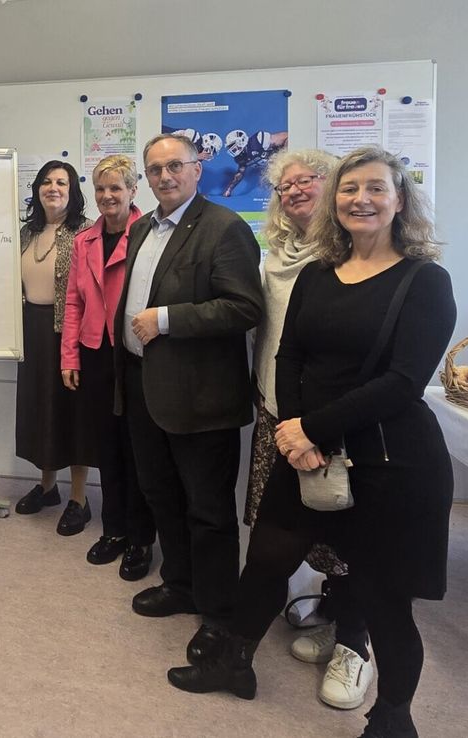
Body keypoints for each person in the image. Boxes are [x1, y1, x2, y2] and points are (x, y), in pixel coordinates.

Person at [167, 146, 456, 738]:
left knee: (381, 595)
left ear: (400, 200)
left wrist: (312, 430)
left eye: (376, 188)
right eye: (350, 190)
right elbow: (290, 353)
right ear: (336, 201)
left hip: (388, 459)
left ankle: (393, 719)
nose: (361, 199)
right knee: (267, 559)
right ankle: (234, 665)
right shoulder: (320, 272)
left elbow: (403, 383)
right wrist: (294, 431)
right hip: (308, 450)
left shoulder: (425, 281)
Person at [113, 134, 262, 635]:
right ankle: (181, 585)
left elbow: (244, 308)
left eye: (174, 166)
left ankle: (219, 616)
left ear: (198, 169)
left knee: (207, 510)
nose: (164, 177)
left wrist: (168, 320)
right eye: (154, 170)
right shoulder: (142, 230)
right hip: (144, 388)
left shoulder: (224, 228)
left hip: (200, 399)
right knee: (162, 496)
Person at [247, 149, 376, 708]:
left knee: (350, 532)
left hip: (338, 420)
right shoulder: (274, 256)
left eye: (308, 180)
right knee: (290, 526)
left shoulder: (355, 253)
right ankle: (328, 612)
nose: (296, 190)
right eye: (285, 186)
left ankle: (356, 641)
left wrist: (318, 423)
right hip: (278, 411)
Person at [60, 155, 158, 579]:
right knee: (107, 448)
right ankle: (114, 530)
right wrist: (69, 355)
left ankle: (141, 539)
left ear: (134, 191)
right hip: (95, 352)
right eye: (101, 189)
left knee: (138, 452)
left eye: (116, 188)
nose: (107, 196)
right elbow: (74, 301)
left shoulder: (149, 234)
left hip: (134, 352)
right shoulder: (84, 239)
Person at [13, 160, 94, 533]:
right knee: (40, 409)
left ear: (72, 190)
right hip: (31, 329)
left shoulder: (86, 232)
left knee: (73, 413)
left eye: (62, 182)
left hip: (70, 333)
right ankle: (47, 488)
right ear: (37, 189)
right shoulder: (26, 232)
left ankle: (79, 497)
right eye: (46, 181)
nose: (53, 187)